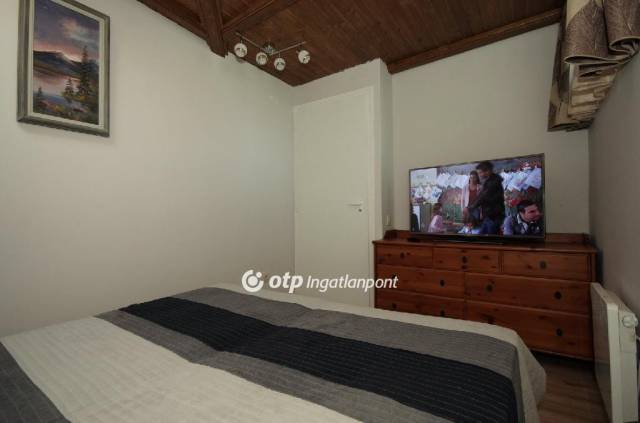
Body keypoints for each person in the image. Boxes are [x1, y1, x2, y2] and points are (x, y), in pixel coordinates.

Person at [468, 161, 505, 235]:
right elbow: (481, 196)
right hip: (489, 216)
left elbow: (483, 196)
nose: (479, 175)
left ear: (487, 171)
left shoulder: (493, 182)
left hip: (494, 216)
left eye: (480, 173)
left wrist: (471, 207)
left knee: (489, 238)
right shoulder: (490, 181)